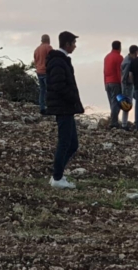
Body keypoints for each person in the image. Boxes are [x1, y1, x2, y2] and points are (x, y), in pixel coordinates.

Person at [46, 31, 84, 189]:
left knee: (73, 144)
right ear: (67, 44)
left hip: (66, 108)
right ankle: (57, 177)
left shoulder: (62, 61)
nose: (75, 46)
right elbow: (58, 85)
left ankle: (58, 173)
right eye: (74, 43)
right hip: (63, 108)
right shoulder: (58, 61)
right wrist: (72, 98)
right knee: (65, 143)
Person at [103, 40, 123, 129]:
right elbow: (119, 72)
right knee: (116, 102)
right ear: (119, 47)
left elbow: (104, 71)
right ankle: (114, 122)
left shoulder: (107, 57)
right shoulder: (119, 57)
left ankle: (113, 120)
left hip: (108, 82)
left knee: (111, 102)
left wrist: (105, 83)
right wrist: (122, 84)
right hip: (115, 82)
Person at [33, 35, 53, 115]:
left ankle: (42, 107)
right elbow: (52, 58)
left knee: (42, 90)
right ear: (48, 40)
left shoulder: (36, 49)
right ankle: (50, 107)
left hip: (39, 71)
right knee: (50, 90)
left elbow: (35, 61)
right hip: (46, 72)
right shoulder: (48, 47)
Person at [121, 45, 138, 129]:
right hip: (128, 86)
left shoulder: (127, 60)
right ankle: (124, 124)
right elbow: (124, 76)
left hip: (129, 85)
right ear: (135, 52)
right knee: (127, 105)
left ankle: (126, 123)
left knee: (134, 102)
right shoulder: (128, 62)